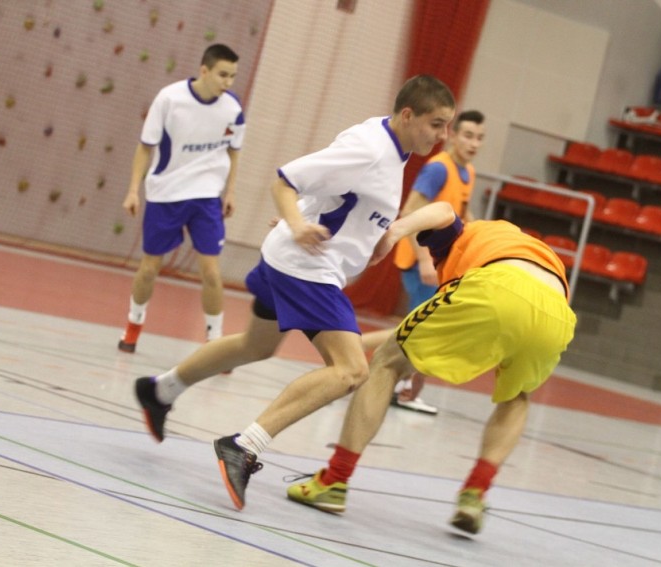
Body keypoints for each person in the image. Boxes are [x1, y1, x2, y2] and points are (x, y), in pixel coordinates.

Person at [133, 74, 456, 511]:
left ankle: (161, 390)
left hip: (291, 260)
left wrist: (315, 219)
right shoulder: (370, 149)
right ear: (407, 115)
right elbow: (286, 180)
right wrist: (297, 221)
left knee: (257, 345)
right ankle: (244, 445)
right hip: (307, 268)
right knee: (350, 370)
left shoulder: (389, 146)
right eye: (437, 124)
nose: (443, 136)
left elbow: (332, 190)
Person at [287, 203, 577, 535]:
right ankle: (475, 492)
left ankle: (334, 481)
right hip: (556, 313)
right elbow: (511, 318)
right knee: (517, 396)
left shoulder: (466, 235)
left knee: (386, 363)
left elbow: (443, 210)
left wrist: (396, 230)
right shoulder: (523, 247)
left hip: (496, 284)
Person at [117, 44, 244, 353]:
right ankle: (133, 326)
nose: (228, 82)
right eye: (222, 75)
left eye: (233, 76)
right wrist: (134, 189)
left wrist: (229, 190)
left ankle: (215, 344)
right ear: (205, 70)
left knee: (212, 273)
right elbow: (146, 146)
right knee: (149, 269)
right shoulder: (170, 99)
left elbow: (233, 151)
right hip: (166, 194)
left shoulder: (233, 108)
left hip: (206, 198)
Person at [361, 110, 486, 415]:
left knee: (421, 328)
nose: (473, 143)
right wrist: (424, 260)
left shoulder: (468, 171)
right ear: (453, 135)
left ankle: (371, 364)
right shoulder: (438, 170)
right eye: (468, 135)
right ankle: (394, 382)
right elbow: (409, 212)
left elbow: (461, 215)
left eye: (480, 138)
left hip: (443, 260)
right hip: (421, 261)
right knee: (424, 328)